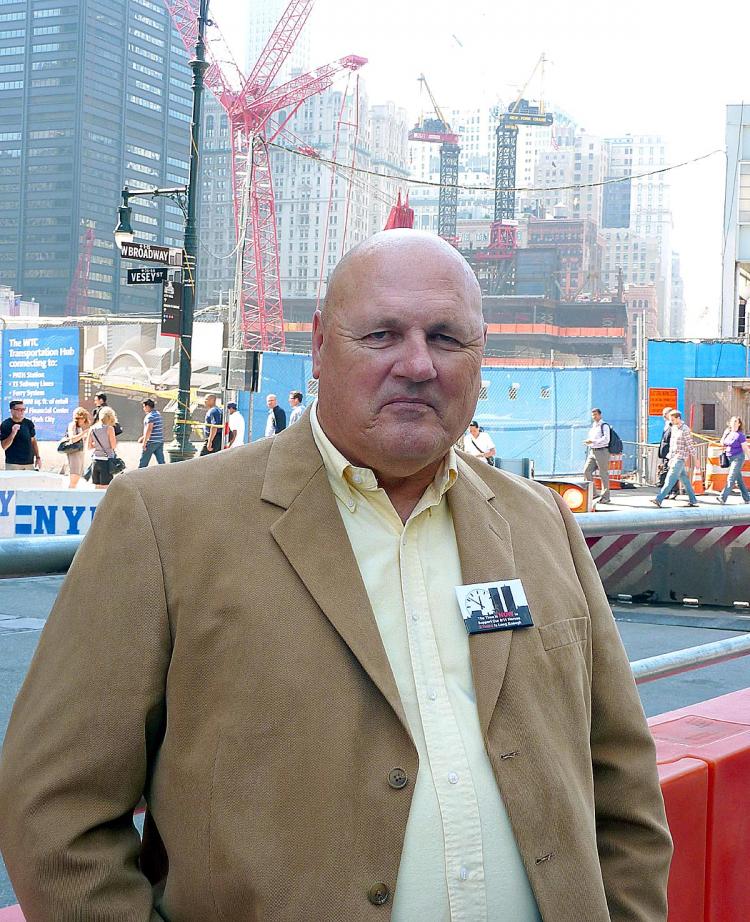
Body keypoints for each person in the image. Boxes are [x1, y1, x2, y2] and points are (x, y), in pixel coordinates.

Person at [0, 231, 671, 922]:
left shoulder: (542, 524)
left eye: (446, 338)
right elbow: (55, 810)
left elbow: (623, 789)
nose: (417, 364)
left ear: (480, 355)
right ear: (320, 345)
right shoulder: (167, 524)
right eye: (381, 335)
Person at [651, 409, 698, 507]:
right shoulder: (674, 428)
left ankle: (659, 499)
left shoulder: (685, 429)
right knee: (685, 480)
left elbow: (690, 445)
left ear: (678, 418)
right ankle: (693, 500)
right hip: (674, 457)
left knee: (670, 478)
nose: (671, 422)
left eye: (673, 419)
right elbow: (672, 445)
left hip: (680, 457)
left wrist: (696, 459)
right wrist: (670, 458)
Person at [0, 400, 41, 471]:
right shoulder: (6, 424)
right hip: (13, 464)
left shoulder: (28, 423)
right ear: (12, 411)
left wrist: (38, 457)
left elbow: (33, 441)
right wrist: (13, 433)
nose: (21, 411)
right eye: (18, 409)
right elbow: (4, 446)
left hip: (29, 463)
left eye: (23, 409)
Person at [718, 415, 750, 504]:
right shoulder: (728, 433)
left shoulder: (740, 435)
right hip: (729, 457)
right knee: (739, 480)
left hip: (738, 458)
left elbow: (745, 448)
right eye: (733, 421)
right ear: (730, 423)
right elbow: (722, 443)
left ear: (739, 424)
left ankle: (723, 497)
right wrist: (724, 434)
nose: (734, 423)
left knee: (731, 477)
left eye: (736, 421)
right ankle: (747, 498)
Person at [583, 407, 611, 504]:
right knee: (586, 471)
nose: (594, 416)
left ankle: (606, 496)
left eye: (596, 414)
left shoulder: (604, 426)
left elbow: (606, 439)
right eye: (593, 415)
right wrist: (589, 442)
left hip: (602, 451)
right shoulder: (593, 426)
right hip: (593, 451)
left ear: (600, 415)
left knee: (603, 474)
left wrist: (593, 441)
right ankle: (593, 493)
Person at [87, 405, 118, 490]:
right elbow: (113, 445)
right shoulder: (110, 429)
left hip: (95, 460)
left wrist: (97, 445)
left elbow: (89, 446)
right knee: (106, 487)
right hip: (106, 461)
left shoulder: (92, 429)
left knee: (97, 487)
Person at [64, 407, 91, 489]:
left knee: (77, 477)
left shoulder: (79, 427)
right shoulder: (72, 425)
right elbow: (72, 439)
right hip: (74, 453)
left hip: (79, 453)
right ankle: (69, 497)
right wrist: (84, 433)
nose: (83, 421)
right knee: (74, 476)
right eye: (82, 419)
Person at [137, 399, 165, 468]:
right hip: (159, 441)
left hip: (151, 442)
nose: (143, 408)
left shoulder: (150, 416)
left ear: (148, 406)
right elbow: (155, 429)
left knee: (143, 462)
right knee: (161, 462)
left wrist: (144, 442)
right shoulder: (158, 414)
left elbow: (149, 429)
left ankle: (139, 476)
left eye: (144, 406)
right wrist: (143, 437)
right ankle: (166, 475)